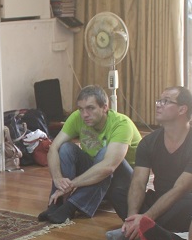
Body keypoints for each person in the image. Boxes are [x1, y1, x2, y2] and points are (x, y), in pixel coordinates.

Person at [105, 86, 192, 240]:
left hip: (187, 206)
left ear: (182, 109)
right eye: (159, 101)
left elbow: (179, 190)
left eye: (166, 101)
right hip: (160, 201)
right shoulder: (149, 142)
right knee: (118, 192)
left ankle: (139, 232)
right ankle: (145, 231)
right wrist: (132, 217)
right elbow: (139, 182)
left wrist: (145, 218)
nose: (158, 105)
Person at [38, 84, 141, 224]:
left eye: (91, 108)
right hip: (96, 173)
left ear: (104, 107)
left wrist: (71, 184)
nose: (84, 114)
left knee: (105, 155)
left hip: (125, 182)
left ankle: (70, 207)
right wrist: (57, 178)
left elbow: (109, 167)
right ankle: (57, 203)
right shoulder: (77, 117)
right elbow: (53, 148)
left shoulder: (121, 124)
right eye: (81, 109)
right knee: (65, 148)